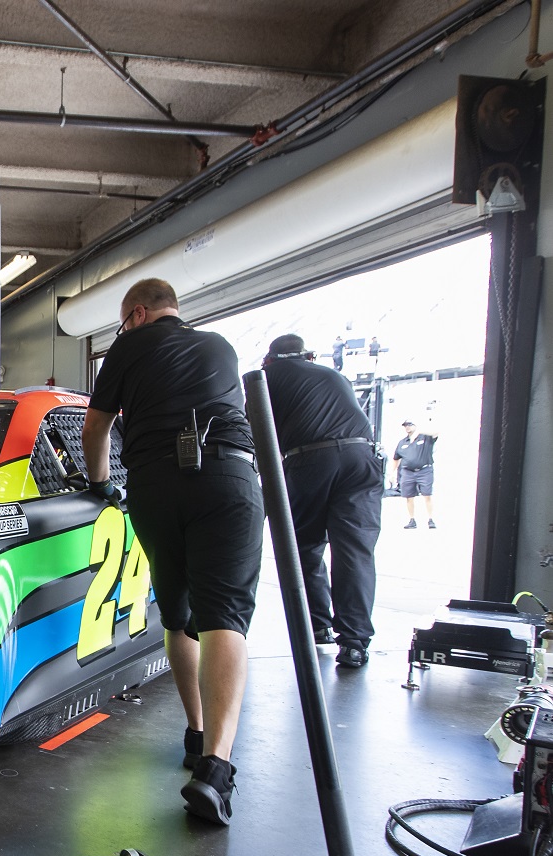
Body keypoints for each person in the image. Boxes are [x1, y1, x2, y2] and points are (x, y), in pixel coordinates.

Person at [81, 278, 263, 826]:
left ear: (137, 313)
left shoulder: (128, 347)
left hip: (156, 483)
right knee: (224, 618)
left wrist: (97, 484)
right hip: (228, 477)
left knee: (179, 616)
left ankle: (195, 731)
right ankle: (216, 766)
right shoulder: (222, 347)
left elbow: (96, 426)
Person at [262, 335, 382, 669]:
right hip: (362, 458)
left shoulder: (266, 379)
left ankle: (317, 625)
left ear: (270, 359)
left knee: (303, 548)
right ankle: (355, 643)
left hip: (311, 460)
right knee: (355, 553)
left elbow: (253, 434)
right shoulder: (333, 375)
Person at [389, 419, 438, 528]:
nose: (407, 427)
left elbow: (436, 432)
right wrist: (392, 473)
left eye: (410, 425)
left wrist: (421, 430)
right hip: (408, 472)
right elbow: (396, 458)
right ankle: (412, 520)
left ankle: (430, 519)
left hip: (424, 470)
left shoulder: (425, 438)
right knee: (409, 496)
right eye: (406, 425)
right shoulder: (402, 442)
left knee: (427, 495)